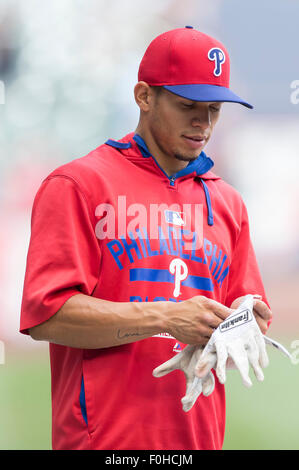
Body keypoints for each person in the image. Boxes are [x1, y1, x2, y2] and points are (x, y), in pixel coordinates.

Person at [20, 26, 272, 450]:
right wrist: (168, 317)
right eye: (188, 105)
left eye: (214, 109)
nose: (203, 123)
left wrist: (246, 319)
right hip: (104, 444)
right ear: (144, 96)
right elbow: (47, 315)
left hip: (197, 442)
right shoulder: (77, 184)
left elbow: (252, 312)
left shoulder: (227, 202)